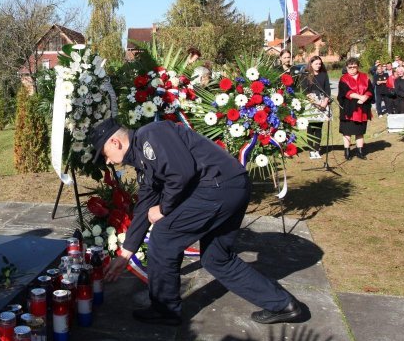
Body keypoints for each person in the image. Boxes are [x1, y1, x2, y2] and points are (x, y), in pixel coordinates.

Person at [92, 119, 305, 326]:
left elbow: (182, 173)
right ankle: (284, 305)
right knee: (216, 259)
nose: (109, 162)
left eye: (105, 156)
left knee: (163, 237)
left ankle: (165, 309)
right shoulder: (142, 161)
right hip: (229, 187)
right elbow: (144, 210)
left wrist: (164, 208)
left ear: (114, 142)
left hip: (217, 188)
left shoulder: (152, 134)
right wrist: (126, 253)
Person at [337, 58, 372, 160]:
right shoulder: (343, 79)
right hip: (348, 109)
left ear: (357, 67)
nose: (352, 69)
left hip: (362, 108)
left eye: (354, 67)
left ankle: (360, 151)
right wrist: (359, 97)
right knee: (347, 131)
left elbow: (370, 89)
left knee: (359, 131)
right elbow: (346, 92)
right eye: (350, 67)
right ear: (347, 67)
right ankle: (347, 152)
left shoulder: (365, 77)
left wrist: (365, 97)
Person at [302, 56, 331, 159]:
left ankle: (317, 149)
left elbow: (327, 90)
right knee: (310, 128)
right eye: (316, 64)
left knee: (318, 128)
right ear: (311, 64)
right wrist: (315, 103)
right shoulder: (306, 75)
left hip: (322, 102)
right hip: (311, 103)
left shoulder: (324, 74)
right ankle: (311, 149)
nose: (318, 66)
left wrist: (325, 102)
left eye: (319, 64)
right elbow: (305, 91)